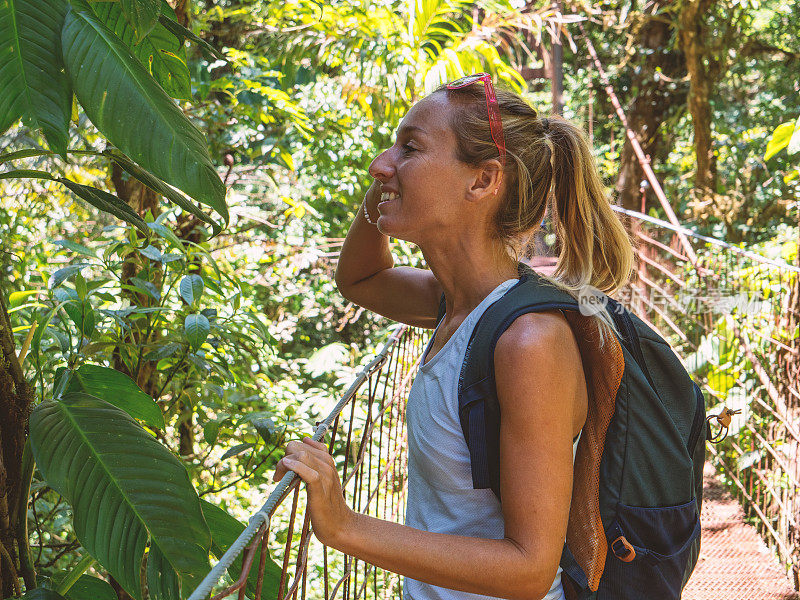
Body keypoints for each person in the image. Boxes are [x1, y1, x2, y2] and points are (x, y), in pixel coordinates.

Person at [272, 73, 633, 600]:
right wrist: (393, 177)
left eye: (411, 147)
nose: (379, 163)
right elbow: (359, 279)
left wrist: (346, 527)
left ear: (484, 181)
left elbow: (530, 571)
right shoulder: (454, 301)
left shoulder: (527, 341)